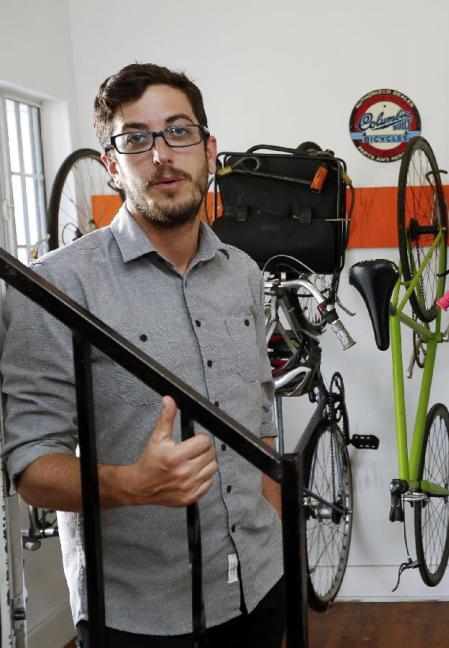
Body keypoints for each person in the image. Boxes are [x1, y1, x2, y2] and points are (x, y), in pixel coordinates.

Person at [1, 63, 285, 647]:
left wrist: (275, 527)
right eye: (136, 139)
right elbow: (32, 467)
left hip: (259, 587)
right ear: (112, 164)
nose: (161, 155)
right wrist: (133, 483)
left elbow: (259, 423)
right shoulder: (57, 289)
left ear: (209, 149)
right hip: (138, 615)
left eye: (179, 132)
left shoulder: (243, 275)